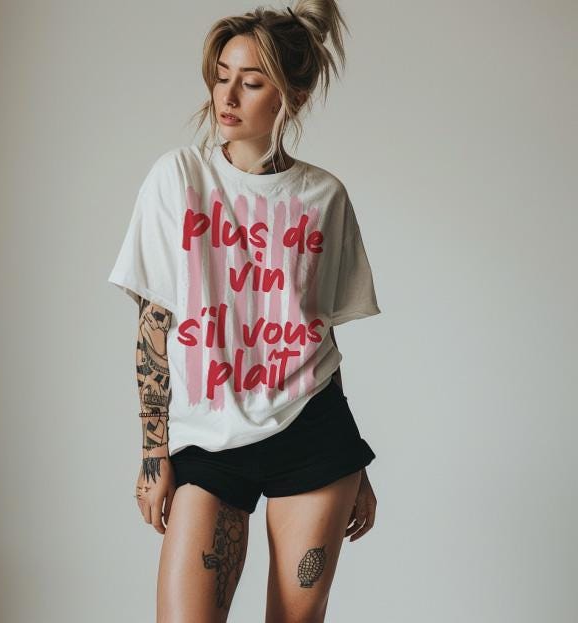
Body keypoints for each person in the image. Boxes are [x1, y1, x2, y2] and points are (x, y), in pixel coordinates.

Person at [108, 2, 382, 621]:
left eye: (252, 82)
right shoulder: (179, 178)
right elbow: (154, 323)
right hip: (210, 441)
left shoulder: (324, 197)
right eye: (221, 75)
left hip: (315, 438)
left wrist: (354, 463)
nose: (227, 96)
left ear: (293, 95)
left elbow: (315, 335)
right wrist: (154, 456)